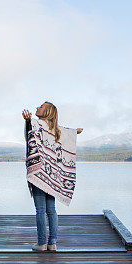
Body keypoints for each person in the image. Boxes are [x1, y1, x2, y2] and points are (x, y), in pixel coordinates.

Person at [22, 102, 82, 252]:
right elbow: (68, 134)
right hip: (53, 175)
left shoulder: (38, 125)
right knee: (51, 210)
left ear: (47, 111)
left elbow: (30, 136)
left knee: (41, 210)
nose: (37, 108)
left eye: (40, 107)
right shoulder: (57, 131)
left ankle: (42, 243)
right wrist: (75, 132)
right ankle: (52, 243)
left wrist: (28, 121)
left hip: (39, 173)